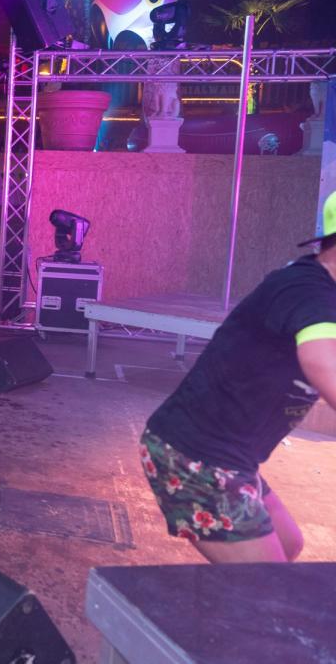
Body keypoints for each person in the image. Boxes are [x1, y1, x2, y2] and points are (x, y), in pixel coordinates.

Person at [139, 192, 336, 564]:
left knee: (289, 545)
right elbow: (322, 363)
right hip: (194, 453)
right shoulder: (307, 290)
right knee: (267, 583)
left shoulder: (323, 291)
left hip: (234, 458)